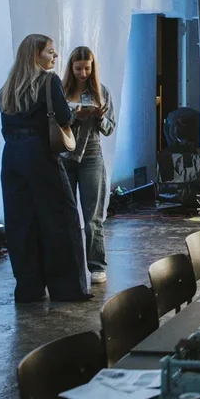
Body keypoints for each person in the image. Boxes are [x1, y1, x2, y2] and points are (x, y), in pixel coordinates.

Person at [0, 34, 90, 303]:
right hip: (39, 154)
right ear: (35, 55)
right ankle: (67, 289)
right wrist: (73, 114)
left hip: (11, 157)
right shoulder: (48, 81)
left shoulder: (7, 87)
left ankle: (29, 289)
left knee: (21, 223)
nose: (55, 56)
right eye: (50, 51)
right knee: (60, 218)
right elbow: (63, 117)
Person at [62, 46, 116, 285]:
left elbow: (110, 128)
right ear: (71, 68)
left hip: (92, 155)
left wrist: (99, 117)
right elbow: (54, 124)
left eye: (87, 68)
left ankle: (97, 266)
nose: (83, 73)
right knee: (66, 215)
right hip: (65, 156)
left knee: (93, 216)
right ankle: (69, 267)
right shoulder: (62, 91)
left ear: (93, 67)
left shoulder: (101, 91)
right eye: (78, 69)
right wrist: (75, 116)